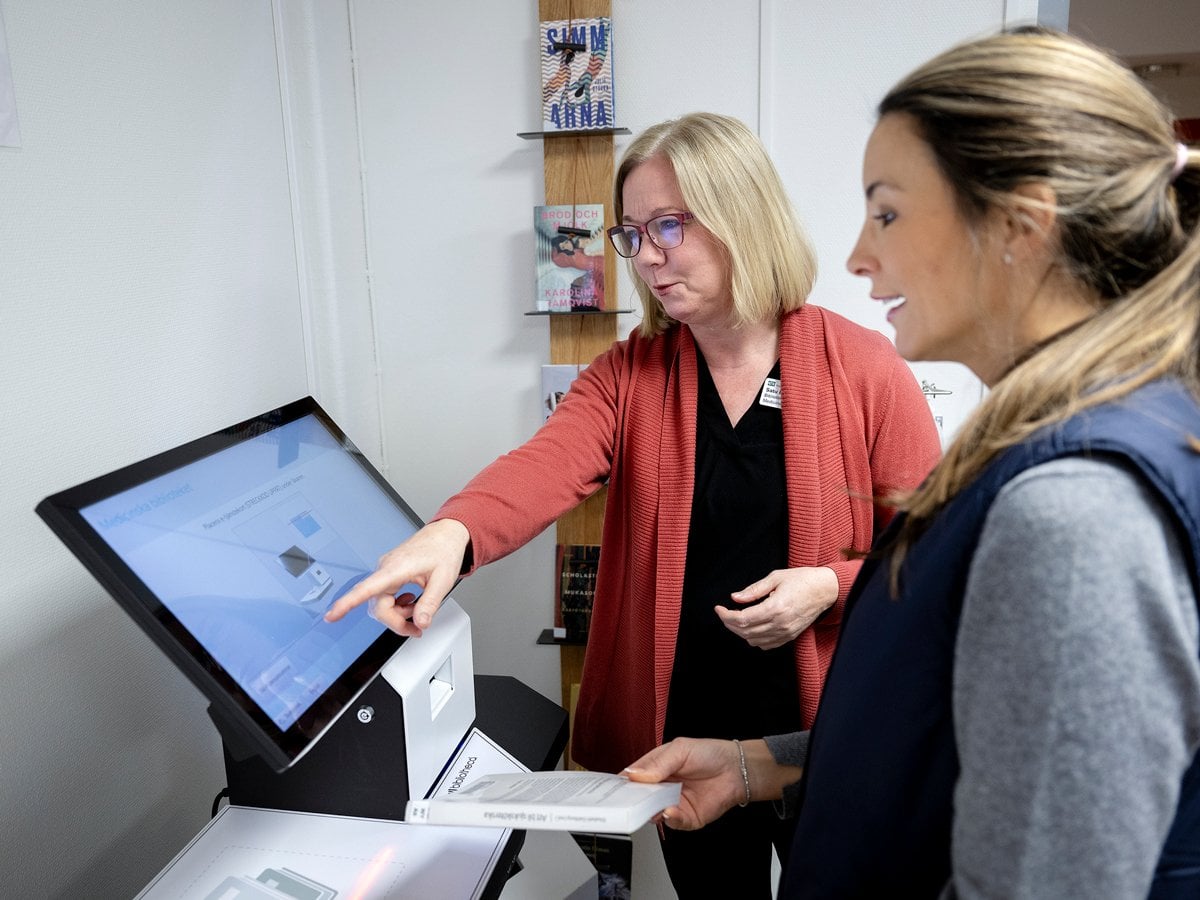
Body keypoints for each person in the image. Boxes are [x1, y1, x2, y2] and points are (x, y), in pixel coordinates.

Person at [624, 26, 1200, 899]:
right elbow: (961, 741)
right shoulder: (1048, 447)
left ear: (1020, 228)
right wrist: (756, 765)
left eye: (887, 210)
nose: (860, 255)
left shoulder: (1076, 512)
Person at [326, 111, 940, 897]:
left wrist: (830, 587)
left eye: (669, 227)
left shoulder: (864, 370)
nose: (645, 257)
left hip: (824, 733)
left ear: (740, 217)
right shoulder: (631, 375)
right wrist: (455, 531)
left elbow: (935, 552)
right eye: (631, 234)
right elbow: (545, 464)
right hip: (685, 742)